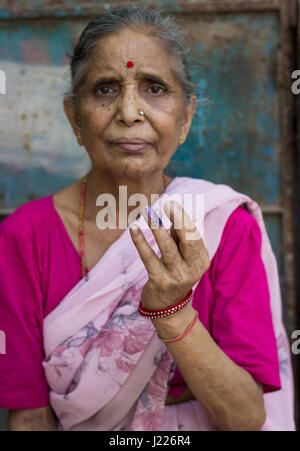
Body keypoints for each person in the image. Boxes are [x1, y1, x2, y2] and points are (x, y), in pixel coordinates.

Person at [0, 6, 295, 431]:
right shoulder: (24, 237)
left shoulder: (224, 225)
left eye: (154, 88)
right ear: (74, 117)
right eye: (105, 89)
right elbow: (29, 418)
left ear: (186, 117)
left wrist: (173, 313)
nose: (130, 112)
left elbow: (246, 417)